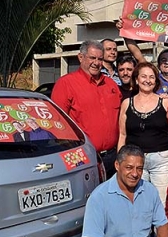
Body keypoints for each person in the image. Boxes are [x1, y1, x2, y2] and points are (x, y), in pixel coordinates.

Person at [52, 40, 121, 178]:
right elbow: (57, 124)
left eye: (100, 59)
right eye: (92, 58)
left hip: (113, 157)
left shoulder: (111, 84)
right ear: (81, 57)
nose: (96, 63)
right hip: (83, 157)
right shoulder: (66, 84)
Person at [117, 62, 168, 205]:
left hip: (161, 160)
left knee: (161, 203)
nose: (147, 80)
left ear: (156, 81)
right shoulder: (126, 103)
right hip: (134, 162)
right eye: (143, 76)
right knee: (136, 202)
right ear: (136, 79)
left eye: (151, 77)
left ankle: (159, 229)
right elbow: (122, 135)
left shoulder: (165, 102)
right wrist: (120, 161)